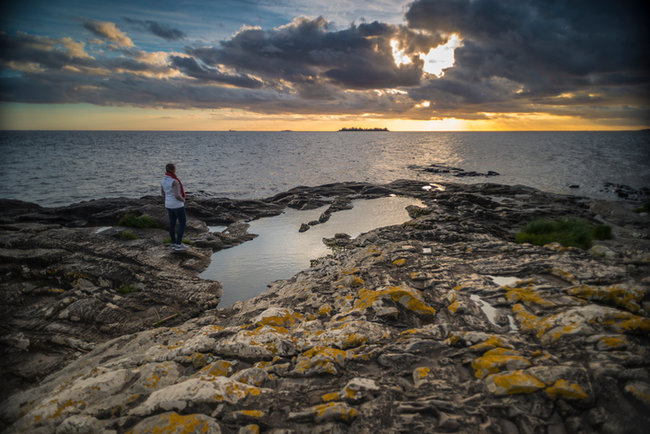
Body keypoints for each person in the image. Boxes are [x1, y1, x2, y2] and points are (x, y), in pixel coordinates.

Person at [161, 163, 188, 251]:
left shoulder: (163, 180)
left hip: (168, 205)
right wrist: (183, 200)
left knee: (172, 224)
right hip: (177, 205)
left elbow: (163, 193)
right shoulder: (175, 181)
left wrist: (167, 201)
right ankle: (178, 244)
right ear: (173, 170)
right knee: (182, 223)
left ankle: (173, 243)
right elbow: (177, 195)